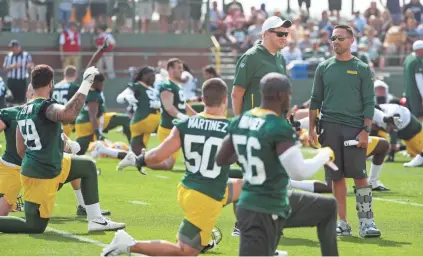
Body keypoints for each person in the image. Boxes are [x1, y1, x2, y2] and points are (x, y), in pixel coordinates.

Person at [102, 78, 243, 256]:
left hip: (189, 189)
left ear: (203, 100)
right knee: (185, 252)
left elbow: (158, 155)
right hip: (206, 197)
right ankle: (129, 244)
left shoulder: (185, 125)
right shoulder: (232, 128)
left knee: (245, 188)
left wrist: (140, 160)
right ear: (225, 100)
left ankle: (240, 232)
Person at [215, 73, 339, 256]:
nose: (289, 98)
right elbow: (299, 172)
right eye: (289, 94)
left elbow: (221, 159)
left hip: (269, 200)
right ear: (282, 96)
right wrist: (323, 155)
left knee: (328, 207)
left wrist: (250, 153)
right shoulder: (278, 126)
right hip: (263, 207)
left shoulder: (241, 120)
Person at [0, 65, 125, 233]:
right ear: (51, 83)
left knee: (87, 165)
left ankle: (95, 219)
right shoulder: (45, 106)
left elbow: (20, 148)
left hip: (41, 165)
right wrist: (86, 83)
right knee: (34, 226)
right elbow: (68, 114)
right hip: (44, 170)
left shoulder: (22, 111)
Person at [309, 25, 380, 237]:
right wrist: (312, 129)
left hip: (354, 129)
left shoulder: (362, 68)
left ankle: (367, 223)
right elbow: (315, 100)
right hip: (329, 128)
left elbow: (369, 102)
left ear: (351, 41)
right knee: (336, 177)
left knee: (359, 175)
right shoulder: (323, 67)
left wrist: (366, 129)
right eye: (333, 38)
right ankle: (342, 223)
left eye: (340, 38)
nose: (336, 41)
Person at [289, 115, 390, 193]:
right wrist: (299, 123)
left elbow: (371, 109)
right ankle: (290, 183)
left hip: (355, 142)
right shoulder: (333, 97)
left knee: (383, 145)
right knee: (331, 186)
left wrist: (384, 117)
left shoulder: (355, 95)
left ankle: (373, 181)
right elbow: (318, 116)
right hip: (335, 144)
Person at [94, 66, 160, 158]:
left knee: (138, 156)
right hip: (141, 122)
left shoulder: (153, 89)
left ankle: (104, 150)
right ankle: (104, 150)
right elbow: (120, 98)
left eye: (154, 76)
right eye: (151, 76)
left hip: (151, 124)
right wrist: (128, 97)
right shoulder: (136, 86)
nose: (153, 78)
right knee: (138, 157)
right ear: (143, 75)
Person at [232, 16, 291, 116]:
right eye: (280, 34)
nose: (284, 37)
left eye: (286, 34)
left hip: (275, 123)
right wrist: (240, 122)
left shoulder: (281, 58)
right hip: (254, 125)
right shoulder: (251, 57)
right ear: (266, 34)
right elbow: (237, 94)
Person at [75, 72, 131, 155]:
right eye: (100, 82)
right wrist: (97, 132)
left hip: (82, 123)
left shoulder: (87, 91)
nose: (102, 85)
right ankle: (133, 148)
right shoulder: (93, 95)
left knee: (79, 151)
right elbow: (92, 116)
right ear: (94, 83)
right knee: (126, 120)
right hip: (90, 122)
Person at [156, 58, 197, 170]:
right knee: (168, 164)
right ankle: (140, 160)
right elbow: (169, 107)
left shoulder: (177, 85)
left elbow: (184, 105)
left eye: (181, 68)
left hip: (179, 128)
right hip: (168, 129)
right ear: (170, 69)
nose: (181, 71)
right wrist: (184, 117)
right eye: (178, 68)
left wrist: (197, 116)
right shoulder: (166, 85)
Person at [373, 103, 423, 167]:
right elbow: (374, 128)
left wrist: (391, 154)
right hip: (406, 136)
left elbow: (393, 132)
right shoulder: (376, 111)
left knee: (418, 153)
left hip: (415, 133)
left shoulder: (391, 113)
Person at [52, 65, 79, 137]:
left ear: (64, 74)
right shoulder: (74, 87)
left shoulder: (54, 86)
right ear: (75, 75)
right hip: (67, 120)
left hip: (55, 120)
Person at [403, 40, 423, 122]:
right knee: (419, 117)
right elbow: (419, 80)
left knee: (412, 117)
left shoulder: (408, 58)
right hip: (416, 95)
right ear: (419, 49)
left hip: (408, 93)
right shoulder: (417, 60)